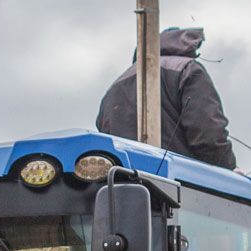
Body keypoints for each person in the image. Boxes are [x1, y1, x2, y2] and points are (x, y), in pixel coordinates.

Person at [95, 25, 236, 169]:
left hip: (122, 184)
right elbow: (209, 135)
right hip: (177, 183)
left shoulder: (113, 89)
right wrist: (229, 170)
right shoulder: (188, 69)